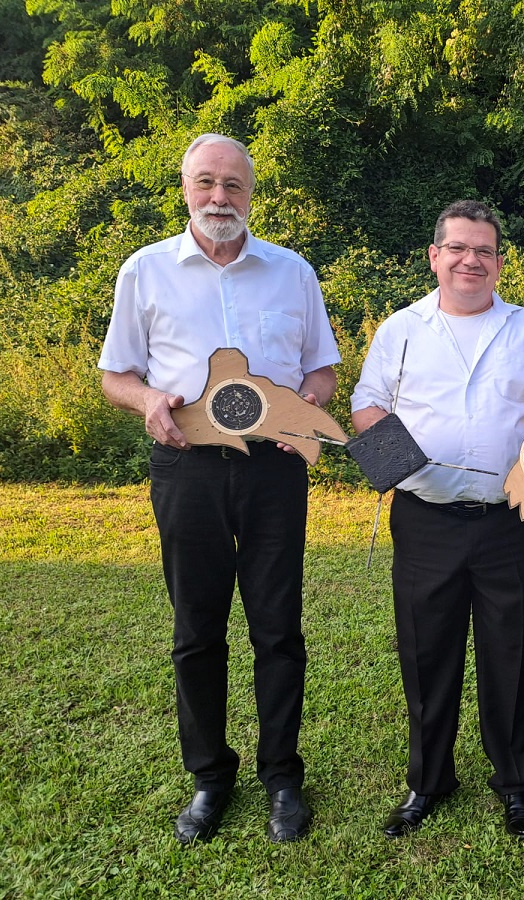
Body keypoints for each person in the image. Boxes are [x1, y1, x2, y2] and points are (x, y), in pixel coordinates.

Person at [99, 133, 340, 844]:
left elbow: (322, 371)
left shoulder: (292, 272)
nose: (219, 198)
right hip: (188, 469)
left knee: (278, 630)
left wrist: (303, 402)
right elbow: (115, 375)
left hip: (272, 470)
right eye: (206, 182)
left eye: (233, 185)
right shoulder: (143, 272)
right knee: (196, 631)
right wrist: (144, 403)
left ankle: (282, 778)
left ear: (252, 193)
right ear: (184, 188)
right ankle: (210, 779)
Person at [351, 200, 524, 840]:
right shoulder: (401, 328)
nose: (470, 260)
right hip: (424, 515)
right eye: (457, 247)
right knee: (427, 652)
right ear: (435, 256)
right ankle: (429, 782)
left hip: (510, 517)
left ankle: (515, 784)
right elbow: (366, 403)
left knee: (511, 650)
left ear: (500, 263)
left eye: (484, 250)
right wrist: (389, 453)